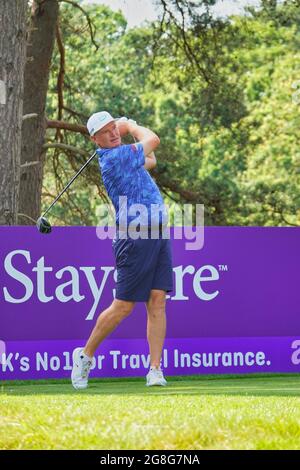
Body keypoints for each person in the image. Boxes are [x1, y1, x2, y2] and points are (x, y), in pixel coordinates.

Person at [71, 111, 173, 389]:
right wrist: (133, 126)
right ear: (95, 139)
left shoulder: (126, 155)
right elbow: (153, 140)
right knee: (124, 306)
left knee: (157, 302)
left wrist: (126, 132)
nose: (113, 133)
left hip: (159, 233)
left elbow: (150, 160)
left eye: (114, 127)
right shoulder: (115, 159)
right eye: (106, 131)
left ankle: (154, 369)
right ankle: (85, 355)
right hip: (134, 237)